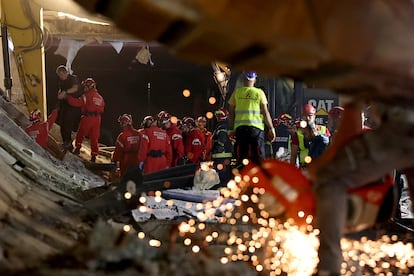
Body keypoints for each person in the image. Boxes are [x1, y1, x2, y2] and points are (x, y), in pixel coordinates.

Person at [228, 71, 275, 165]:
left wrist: (231, 129)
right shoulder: (259, 93)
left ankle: (242, 175)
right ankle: (259, 176)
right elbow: (265, 113)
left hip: (241, 129)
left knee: (241, 157)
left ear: (244, 79)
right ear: (255, 80)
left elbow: (231, 113)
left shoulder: (237, 93)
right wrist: (271, 128)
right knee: (258, 157)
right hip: (256, 130)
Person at [58, 78, 105, 162]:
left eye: (85, 86)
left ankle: (77, 148)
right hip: (97, 119)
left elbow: (77, 103)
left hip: (88, 117)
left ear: (90, 87)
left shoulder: (86, 95)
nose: (84, 88)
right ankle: (94, 156)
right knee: (94, 137)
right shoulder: (100, 97)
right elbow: (102, 108)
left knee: (81, 133)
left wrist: (68, 97)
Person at [55, 65, 82, 152]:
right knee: (62, 124)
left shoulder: (73, 78)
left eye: (62, 75)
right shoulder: (61, 81)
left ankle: (69, 143)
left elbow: (75, 88)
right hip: (64, 105)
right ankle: (65, 142)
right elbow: (61, 89)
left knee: (68, 124)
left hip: (72, 106)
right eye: (59, 75)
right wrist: (59, 94)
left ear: (66, 72)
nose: (61, 77)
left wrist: (65, 92)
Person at [211, 107, 234, 187]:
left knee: (222, 176)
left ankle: (221, 189)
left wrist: (218, 147)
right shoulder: (228, 125)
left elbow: (222, 138)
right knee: (227, 175)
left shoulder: (221, 126)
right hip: (227, 155)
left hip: (221, 156)